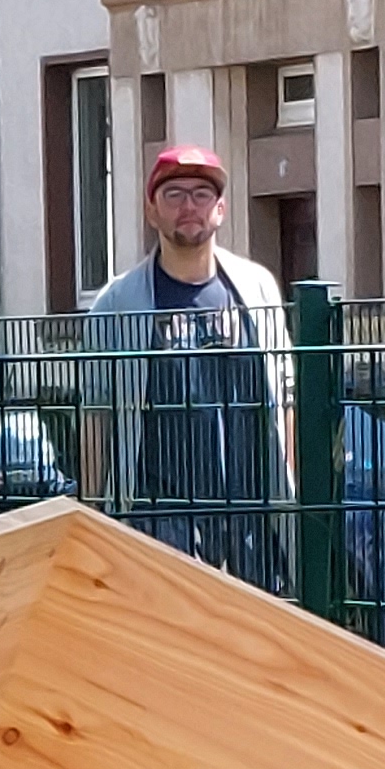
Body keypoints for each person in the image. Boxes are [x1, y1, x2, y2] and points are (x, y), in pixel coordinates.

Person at [76, 143, 295, 588]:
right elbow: (95, 415)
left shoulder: (257, 288)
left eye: (201, 194)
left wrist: (290, 491)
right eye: (174, 194)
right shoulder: (117, 303)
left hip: (252, 517)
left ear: (220, 210)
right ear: (151, 210)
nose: (188, 206)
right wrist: (95, 512)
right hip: (158, 519)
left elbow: (286, 396)